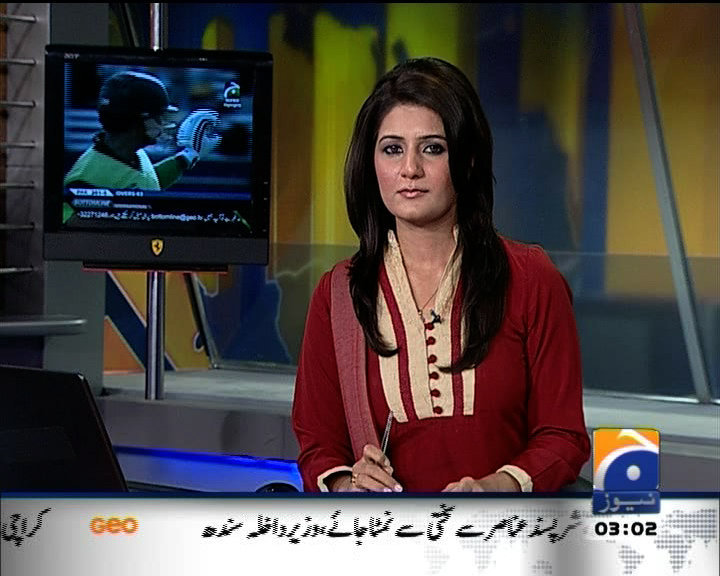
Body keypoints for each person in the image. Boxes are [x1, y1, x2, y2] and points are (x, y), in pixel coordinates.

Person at [291, 57, 590, 493]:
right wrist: (346, 484)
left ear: (467, 160)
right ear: (370, 163)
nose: (410, 169)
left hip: (505, 531)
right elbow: (319, 445)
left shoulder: (531, 279)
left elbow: (563, 437)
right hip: (390, 534)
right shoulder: (339, 294)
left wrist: (492, 488)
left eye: (432, 148)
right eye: (392, 149)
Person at [64, 70, 220, 190]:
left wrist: (187, 157)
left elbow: (147, 183)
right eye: (157, 116)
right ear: (135, 121)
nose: (162, 123)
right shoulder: (86, 180)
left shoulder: (132, 152)